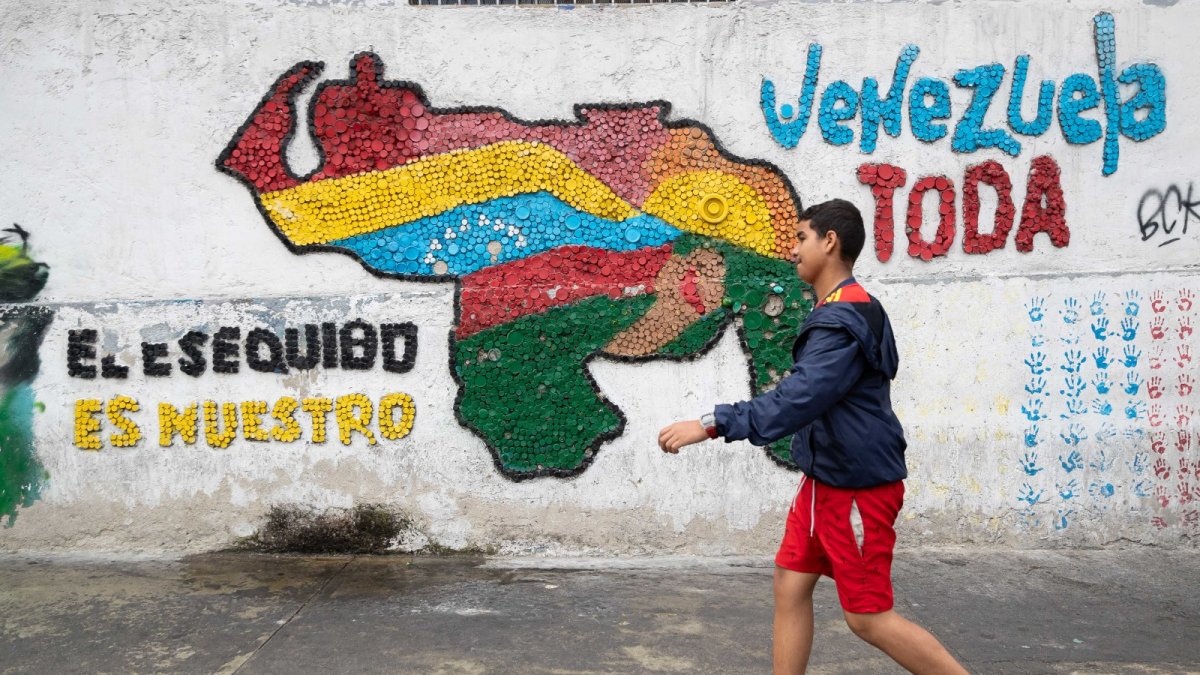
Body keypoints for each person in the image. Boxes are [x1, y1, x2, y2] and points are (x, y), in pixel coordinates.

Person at [657, 199, 967, 674]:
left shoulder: (842, 321)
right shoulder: (849, 306)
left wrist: (711, 423)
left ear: (830, 241)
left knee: (868, 618)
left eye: (802, 238)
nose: (794, 249)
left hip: (857, 487)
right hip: (825, 480)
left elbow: (798, 398)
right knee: (791, 582)